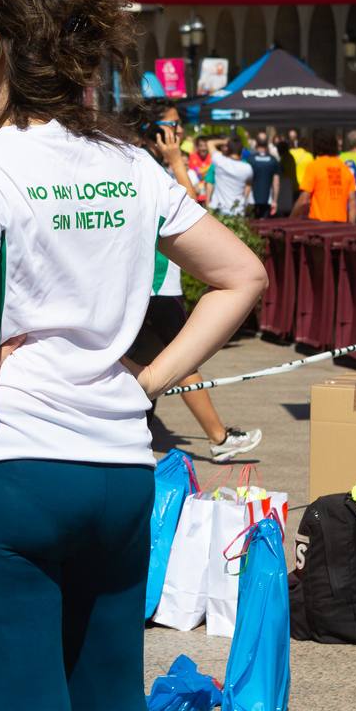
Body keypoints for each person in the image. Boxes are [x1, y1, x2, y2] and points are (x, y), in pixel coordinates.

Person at [0, 0, 264, 711]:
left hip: (8, 466)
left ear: (1, 47)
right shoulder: (131, 166)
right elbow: (242, 276)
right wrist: (147, 383)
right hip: (118, 470)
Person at [120, 99, 264, 463]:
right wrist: (177, 162)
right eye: (172, 125)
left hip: (161, 283)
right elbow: (191, 208)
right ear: (152, 130)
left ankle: (133, 437)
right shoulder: (146, 167)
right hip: (155, 285)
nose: (179, 131)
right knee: (182, 362)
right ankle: (218, 437)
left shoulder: (153, 166)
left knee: (154, 364)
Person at [294, 129, 356, 223]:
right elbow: (353, 203)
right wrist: (350, 226)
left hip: (318, 226)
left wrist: (291, 219)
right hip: (341, 225)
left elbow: (303, 200)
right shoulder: (345, 169)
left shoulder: (314, 167)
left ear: (316, 146)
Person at [206, 136, 254, 218]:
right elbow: (248, 186)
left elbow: (210, 143)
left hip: (218, 209)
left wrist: (225, 141)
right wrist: (244, 202)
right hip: (237, 211)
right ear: (241, 151)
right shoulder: (247, 168)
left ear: (228, 149)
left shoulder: (220, 161)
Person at [245, 131, 279, 219]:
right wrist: (275, 201)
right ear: (267, 143)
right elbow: (276, 183)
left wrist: (244, 200)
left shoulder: (250, 160)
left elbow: (246, 181)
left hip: (251, 200)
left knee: (252, 225)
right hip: (267, 200)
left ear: (256, 143)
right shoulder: (273, 160)